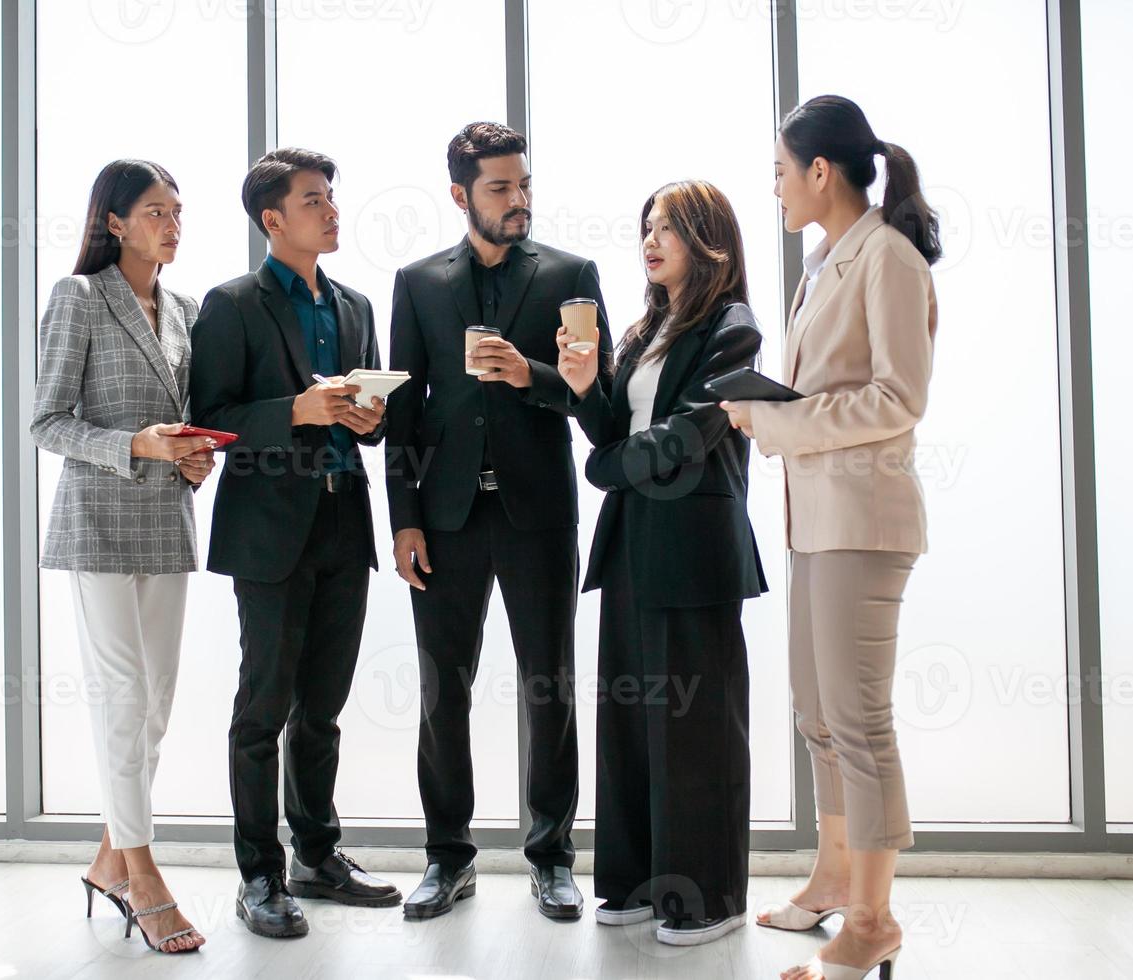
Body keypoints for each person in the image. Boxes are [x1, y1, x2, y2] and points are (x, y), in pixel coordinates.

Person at [721, 94, 941, 980]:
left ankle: (874, 921)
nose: (774, 187)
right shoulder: (825, 261)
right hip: (815, 519)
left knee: (860, 724)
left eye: (780, 170)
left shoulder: (886, 256)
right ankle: (832, 878)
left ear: (820, 171)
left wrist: (779, 423)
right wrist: (765, 406)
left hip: (864, 519)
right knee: (817, 715)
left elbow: (900, 398)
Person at [384, 121, 614, 922]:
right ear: (460, 195)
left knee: (548, 685)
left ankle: (552, 857)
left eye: (523, 185)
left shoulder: (571, 275)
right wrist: (404, 521)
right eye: (499, 188)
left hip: (538, 514)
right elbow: (403, 413)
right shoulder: (416, 284)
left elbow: (601, 404)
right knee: (442, 691)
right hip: (444, 520)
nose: (518, 201)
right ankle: (448, 857)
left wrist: (532, 375)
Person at [189, 147, 399, 940]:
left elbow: (369, 413)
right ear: (273, 219)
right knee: (263, 708)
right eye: (315, 201)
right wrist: (299, 413)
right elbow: (212, 418)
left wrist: (368, 416)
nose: (332, 211)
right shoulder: (231, 303)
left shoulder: (353, 305)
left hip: (346, 520)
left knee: (325, 709)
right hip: (270, 532)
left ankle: (318, 854)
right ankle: (258, 877)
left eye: (332, 199)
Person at [557, 179, 766, 946]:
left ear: (706, 238)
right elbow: (613, 426)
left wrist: (605, 466)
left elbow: (687, 437)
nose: (650, 241)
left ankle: (709, 897)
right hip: (635, 544)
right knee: (631, 721)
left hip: (696, 550)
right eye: (646, 226)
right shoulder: (647, 326)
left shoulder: (731, 328)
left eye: (668, 228)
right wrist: (583, 389)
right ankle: (639, 883)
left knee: (696, 729)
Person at [31, 159, 215, 954]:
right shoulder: (78, 297)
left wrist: (192, 457)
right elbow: (47, 423)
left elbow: (184, 421)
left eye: (177, 211)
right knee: (122, 698)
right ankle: (143, 873)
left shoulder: (186, 307)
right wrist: (132, 445)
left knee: (157, 705)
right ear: (113, 221)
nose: (171, 224)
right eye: (153, 211)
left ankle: (108, 858)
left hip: (166, 522)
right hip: (99, 523)